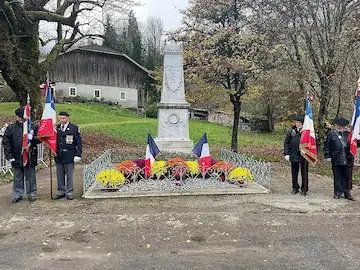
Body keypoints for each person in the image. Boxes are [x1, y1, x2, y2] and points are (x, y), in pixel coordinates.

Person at [3, 108, 40, 203]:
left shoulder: (32, 126)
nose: (21, 119)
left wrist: (33, 138)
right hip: (16, 155)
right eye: (19, 117)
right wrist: (9, 155)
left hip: (30, 155)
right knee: (18, 176)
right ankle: (18, 194)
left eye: (23, 118)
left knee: (30, 176)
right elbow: (6, 142)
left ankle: (31, 193)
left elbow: (40, 139)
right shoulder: (11, 128)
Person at [53, 111, 82, 200]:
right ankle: (61, 191)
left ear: (67, 118)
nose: (62, 120)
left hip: (69, 154)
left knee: (69, 174)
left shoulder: (74, 128)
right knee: (60, 174)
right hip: (59, 154)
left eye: (64, 118)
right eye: (60, 118)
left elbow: (79, 142)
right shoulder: (57, 128)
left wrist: (78, 154)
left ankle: (69, 192)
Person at [324, 117, 355, 200]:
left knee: (347, 176)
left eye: (340, 125)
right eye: (337, 125)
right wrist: (328, 156)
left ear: (344, 126)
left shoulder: (349, 134)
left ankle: (347, 192)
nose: (338, 127)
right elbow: (327, 146)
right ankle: (337, 192)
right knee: (337, 176)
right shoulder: (331, 134)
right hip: (336, 158)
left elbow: (354, 144)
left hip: (347, 158)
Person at [284, 116, 309, 195]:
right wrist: (286, 153)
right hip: (293, 154)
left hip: (304, 155)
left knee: (304, 172)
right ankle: (295, 187)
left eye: (299, 122)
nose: (297, 124)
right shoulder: (291, 131)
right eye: (296, 122)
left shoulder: (307, 132)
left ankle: (304, 188)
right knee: (294, 172)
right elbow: (286, 143)